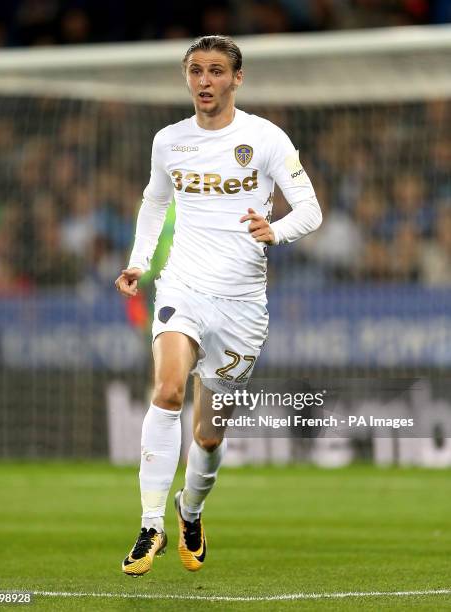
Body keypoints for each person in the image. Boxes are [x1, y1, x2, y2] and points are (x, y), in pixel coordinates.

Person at [115, 34, 322, 577]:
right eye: (196, 71)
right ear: (187, 78)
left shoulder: (266, 138)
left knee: (209, 432)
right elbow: (154, 200)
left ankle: (191, 509)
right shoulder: (169, 142)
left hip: (242, 303)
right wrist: (140, 262)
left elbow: (311, 211)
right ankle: (150, 523)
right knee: (166, 390)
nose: (205, 81)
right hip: (181, 286)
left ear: (236, 78)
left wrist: (274, 230)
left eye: (215, 71)